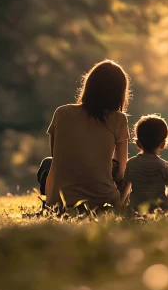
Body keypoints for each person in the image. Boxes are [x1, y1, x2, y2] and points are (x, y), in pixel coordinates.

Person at [42, 60, 130, 210]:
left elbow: (56, 156)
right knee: (124, 169)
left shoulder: (61, 112)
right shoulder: (119, 119)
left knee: (47, 163)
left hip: (60, 200)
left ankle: (52, 202)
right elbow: (122, 170)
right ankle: (118, 204)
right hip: (103, 199)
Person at [120, 114, 168, 212]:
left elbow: (125, 187)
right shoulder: (165, 166)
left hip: (136, 209)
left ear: (138, 144)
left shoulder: (131, 163)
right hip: (160, 210)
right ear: (163, 144)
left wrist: (120, 204)